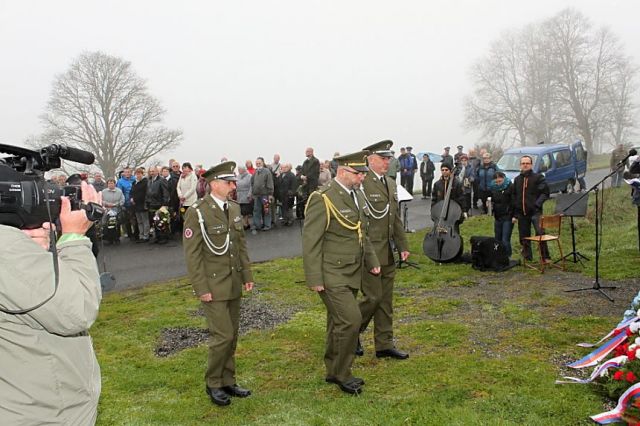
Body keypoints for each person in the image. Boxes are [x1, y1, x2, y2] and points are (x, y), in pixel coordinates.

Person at [0, 181, 102, 424]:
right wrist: (74, 239)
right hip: (41, 411)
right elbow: (76, 311)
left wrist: (31, 254)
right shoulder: (5, 248)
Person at [302, 151, 380, 395]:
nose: (362, 179)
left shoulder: (356, 195)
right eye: (358, 174)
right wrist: (314, 278)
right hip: (331, 272)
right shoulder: (322, 198)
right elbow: (311, 242)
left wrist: (372, 261)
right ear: (343, 172)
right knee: (350, 319)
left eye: (363, 174)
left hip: (352, 270)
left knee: (337, 322)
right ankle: (342, 373)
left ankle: (333, 370)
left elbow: (361, 233)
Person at [182, 161, 254, 407]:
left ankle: (228, 379)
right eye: (228, 182)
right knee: (222, 335)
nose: (233, 186)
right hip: (213, 285)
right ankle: (213, 382)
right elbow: (193, 255)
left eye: (233, 182)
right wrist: (201, 288)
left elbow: (240, 245)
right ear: (213, 184)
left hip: (233, 280)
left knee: (232, 334)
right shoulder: (198, 212)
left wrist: (247, 275)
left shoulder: (233, 208)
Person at [357, 141, 410, 360]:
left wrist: (403, 245)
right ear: (370, 159)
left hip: (387, 250)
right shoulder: (361, 183)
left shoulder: (389, 182)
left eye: (389, 159)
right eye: (383, 159)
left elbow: (394, 217)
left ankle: (384, 343)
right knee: (373, 297)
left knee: (386, 300)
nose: (387, 162)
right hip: (369, 251)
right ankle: (349, 332)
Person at [511, 155, 550, 262]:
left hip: (535, 212)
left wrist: (537, 205)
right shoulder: (517, 179)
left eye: (527, 163)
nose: (525, 165)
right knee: (524, 236)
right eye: (523, 163)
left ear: (531, 165)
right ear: (520, 165)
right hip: (522, 213)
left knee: (540, 233)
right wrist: (515, 213)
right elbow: (515, 196)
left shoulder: (538, 177)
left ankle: (545, 257)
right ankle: (527, 257)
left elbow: (545, 193)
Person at [489, 171, 514, 257]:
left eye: (500, 181)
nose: (498, 183)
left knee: (505, 239)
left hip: (508, 216)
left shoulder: (510, 187)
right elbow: (492, 199)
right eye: (496, 182)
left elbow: (514, 202)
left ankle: (508, 256)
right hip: (497, 216)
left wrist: (514, 215)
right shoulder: (493, 188)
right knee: (497, 238)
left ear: (504, 178)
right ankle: (499, 256)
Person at [146, 166, 170, 243]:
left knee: (162, 222)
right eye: (150, 171)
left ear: (157, 172)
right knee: (154, 221)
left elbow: (166, 193)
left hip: (160, 205)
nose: (152, 173)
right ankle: (157, 236)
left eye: (153, 171)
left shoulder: (162, 180)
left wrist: (164, 204)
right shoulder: (149, 181)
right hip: (152, 205)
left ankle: (163, 238)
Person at [250, 157, 274, 234]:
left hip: (265, 195)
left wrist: (270, 194)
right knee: (256, 211)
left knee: (266, 210)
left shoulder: (267, 172)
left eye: (259, 163)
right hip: (257, 195)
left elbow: (270, 183)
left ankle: (267, 225)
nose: (258, 165)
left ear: (263, 163)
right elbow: (252, 182)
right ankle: (257, 225)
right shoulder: (255, 172)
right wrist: (253, 193)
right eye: (256, 163)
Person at [117, 167, 138, 240]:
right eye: (126, 172)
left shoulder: (135, 179)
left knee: (135, 219)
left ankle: (136, 233)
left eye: (129, 172)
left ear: (131, 172)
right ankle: (130, 234)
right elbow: (120, 192)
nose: (127, 173)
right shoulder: (120, 181)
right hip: (126, 202)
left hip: (135, 202)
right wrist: (122, 203)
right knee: (127, 220)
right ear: (124, 173)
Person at [131, 167, 150, 243]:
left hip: (143, 204)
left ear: (142, 174)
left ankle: (146, 236)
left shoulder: (145, 182)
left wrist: (135, 199)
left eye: (139, 174)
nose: (138, 175)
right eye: (136, 174)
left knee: (145, 221)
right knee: (139, 221)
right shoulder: (134, 182)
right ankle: (141, 235)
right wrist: (132, 198)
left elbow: (143, 194)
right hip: (136, 205)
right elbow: (132, 192)